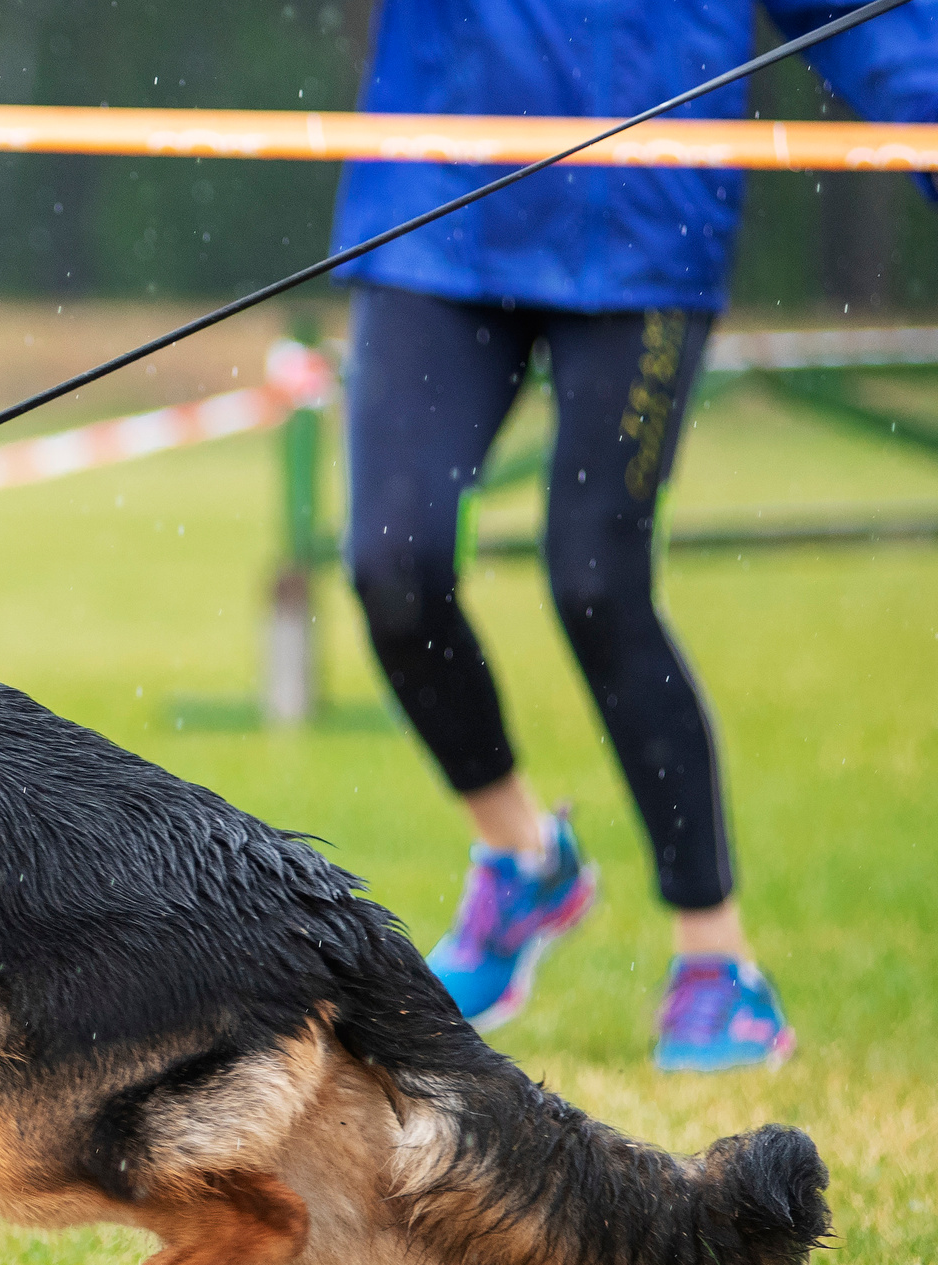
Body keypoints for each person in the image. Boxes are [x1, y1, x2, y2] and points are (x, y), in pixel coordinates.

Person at [332, 0, 938, 1071]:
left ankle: (716, 967)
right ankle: (521, 859)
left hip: (643, 224)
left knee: (597, 584)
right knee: (393, 563)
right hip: (434, 203)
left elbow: (856, 13)